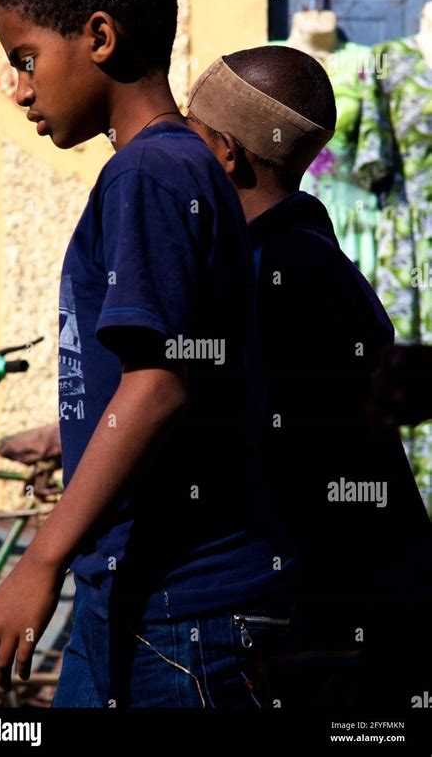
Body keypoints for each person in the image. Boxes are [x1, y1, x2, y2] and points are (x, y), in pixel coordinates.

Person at [0, 0, 299, 709]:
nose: (17, 88)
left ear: (100, 38)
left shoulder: (150, 175)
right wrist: (73, 437)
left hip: (176, 617)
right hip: (145, 599)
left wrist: (40, 558)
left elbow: (159, 386)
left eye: (26, 60)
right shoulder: (176, 165)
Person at [187, 46, 432, 707]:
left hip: (334, 616)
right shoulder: (307, 251)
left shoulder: (278, 274)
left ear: (229, 154)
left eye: (191, 136)